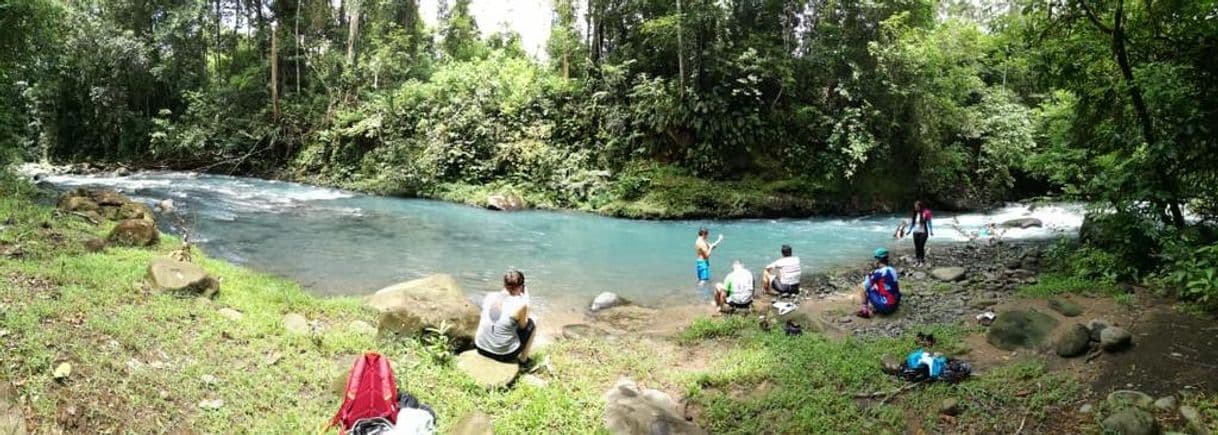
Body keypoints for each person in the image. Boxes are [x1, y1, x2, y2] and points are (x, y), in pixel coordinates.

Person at [474, 270, 536, 364]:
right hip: (502, 355)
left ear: (504, 284)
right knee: (533, 323)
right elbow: (523, 326)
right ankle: (523, 359)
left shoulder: (490, 296)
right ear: (521, 287)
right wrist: (526, 300)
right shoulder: (521, 304)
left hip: (480, 346)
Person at [857, 248, 901, 318]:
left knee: (863, 287)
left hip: (885, 307)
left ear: (878, 260)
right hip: (896, 304)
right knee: (879, 285)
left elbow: (864, 287)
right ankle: (877, 304)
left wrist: (869, 277)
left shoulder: (879, 272)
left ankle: (864, 310)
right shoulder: (893, 270)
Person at [695, 227, 724, 297]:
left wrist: (719, 240)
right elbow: (707, 255)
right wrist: (710, 248)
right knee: (703, 281)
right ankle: (700, 295)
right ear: (704, 234)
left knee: (701, 280)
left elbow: (712, 246)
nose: (707, 236)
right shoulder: (701, 243)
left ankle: (702, 294)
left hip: (699, 262)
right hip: (703, 263)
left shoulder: (700, 240)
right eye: (707, 235)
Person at [908, 201, 933, 267]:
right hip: (915, 232)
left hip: (923, 232)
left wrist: (931, 231)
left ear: (920, 206)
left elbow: (929, 222)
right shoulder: (915, 213)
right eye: (915, 207)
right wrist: (909, 230)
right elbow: (912, 223)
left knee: (921, 246)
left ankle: (921, 261)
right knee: (917, 247)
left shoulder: (926, 213)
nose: (915, 208)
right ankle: (917, 260)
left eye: (916, 207)